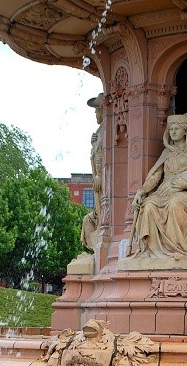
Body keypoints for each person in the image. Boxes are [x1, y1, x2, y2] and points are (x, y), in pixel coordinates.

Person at [131, 114, 187, 258]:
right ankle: (151, 250)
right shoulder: (167, 152)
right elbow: (155, 176)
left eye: (177, 128)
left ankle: (177, 248)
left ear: (186, 131)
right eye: (170, 129)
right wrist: (141, 191)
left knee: (175, 204)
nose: (173, 131)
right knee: (148, 206)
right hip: (164, 192)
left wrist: (185, 184)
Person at [80, 93, 104, 250]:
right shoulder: (100, 131)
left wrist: (100, 176)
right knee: (88, 219)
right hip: (99, 184)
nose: (95, 114)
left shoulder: (108, 129)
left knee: (96, 217)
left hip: (103, 182)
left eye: (97, 110)